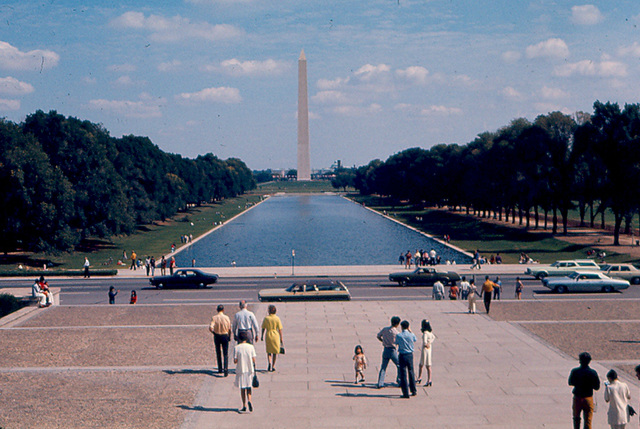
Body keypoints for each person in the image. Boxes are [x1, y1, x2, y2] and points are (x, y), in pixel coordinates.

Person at [568, 352, 600, 429]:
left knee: (576, 418)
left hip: (578, 397)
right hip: (588, 397)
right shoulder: (593, 372)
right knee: (588, 420)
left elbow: (570, 382)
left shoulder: (575, 371)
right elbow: (597, 387)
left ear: (580, 361)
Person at [234, 331, 257, 413]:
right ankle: (250, 400)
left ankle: (244, 405)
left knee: (242, 388)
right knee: (249, 386)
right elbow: (254, 359)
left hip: (241, 370)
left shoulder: (237, 348)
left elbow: (235, 361)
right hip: (249, 369)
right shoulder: (251, 347)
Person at [376, 316, 401, 389]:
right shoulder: (396, 332)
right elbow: (398, 342)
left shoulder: (385, 329)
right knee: (399, 365)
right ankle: (399, 380)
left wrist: (383, 341)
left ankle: (380, 383)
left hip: (385, 349)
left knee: (383, 367)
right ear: (397, 324)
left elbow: (378, 336)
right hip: (392, 350)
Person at [396, 320, 417, 398]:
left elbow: (396, 343)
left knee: (403, 374)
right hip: (410, 355)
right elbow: (415, 339)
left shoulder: (399, 335)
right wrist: (410, 331)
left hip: (402, 355)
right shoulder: (411, 335)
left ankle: (405, 393)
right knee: (411, 372)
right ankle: (413, 390)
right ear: (408, 327)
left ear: (401, 327)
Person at [210, 304, 231, 376]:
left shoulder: (214, 318)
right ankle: (226, 368)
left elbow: (211, 327)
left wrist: (213, 332)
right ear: (223, 310)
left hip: (217, 335)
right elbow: (229, 328)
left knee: (218, 352)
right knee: (225, 353)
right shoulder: (226, 317)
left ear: (217, 310)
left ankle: (220, 368)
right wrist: (229, 336)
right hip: (225, 335)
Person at [261, 305, 283, 372]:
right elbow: (280, 329)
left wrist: (262, 335)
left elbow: (263, 328)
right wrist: (281, 338)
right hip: (275, 335)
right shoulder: (277, 318)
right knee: (275, 352)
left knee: (269, 351)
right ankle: (273, 365)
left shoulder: (266, 318)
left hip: (268, 335)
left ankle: (269, 362)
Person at [416, 319, 435, 386]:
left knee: (421, 364)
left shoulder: (425, 333)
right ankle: (429, 379)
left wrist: (426, 343)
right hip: (429, 349)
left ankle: (419, 377)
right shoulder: (430, 333)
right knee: (428, 365)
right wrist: (429, 343)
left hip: (424, 350)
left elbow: (424, 341)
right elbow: (433, 337)